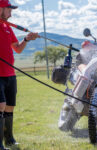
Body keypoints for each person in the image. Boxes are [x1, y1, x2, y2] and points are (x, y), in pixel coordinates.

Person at [0, 0, 40, 149]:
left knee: (9, 107)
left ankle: (9, 140)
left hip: (10, 74)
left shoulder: (7, 28)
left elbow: (17, 49)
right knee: (1, 105)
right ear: (1, 8)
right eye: (9, 10)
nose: (11, 14)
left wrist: (26, 39)